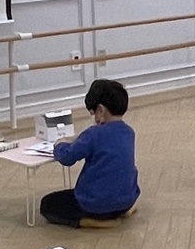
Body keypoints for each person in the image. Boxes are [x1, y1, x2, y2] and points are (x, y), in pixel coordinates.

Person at [40, 79, 140, 227]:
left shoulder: (94, 134)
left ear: (100, 110)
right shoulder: (129, 132)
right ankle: (123, 211)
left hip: (95, 205)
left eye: (93, 113)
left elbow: (67, 157)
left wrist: (59, 144)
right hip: (126, 200)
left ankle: (89, 221)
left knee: (47, 204)